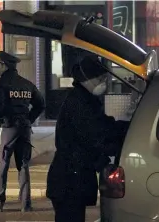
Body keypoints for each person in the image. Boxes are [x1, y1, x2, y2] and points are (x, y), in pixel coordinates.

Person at [46, 54, 130, 222]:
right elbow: (95, 137)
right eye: (100, 78)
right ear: (88, 79)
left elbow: (104, 127)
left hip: (71, 179)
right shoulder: (80, 104)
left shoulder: (85, 100)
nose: (103, 83)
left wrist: (126, 128)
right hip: (69, 181)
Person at [0, 51, 45, 213]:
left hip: (7, 127)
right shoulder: (27, 84)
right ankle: (25, 204)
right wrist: (29, 119)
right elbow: (40, 104)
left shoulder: (0, 84)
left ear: (4, 65)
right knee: (23, 165)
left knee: (2, 164)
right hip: (24, 128)